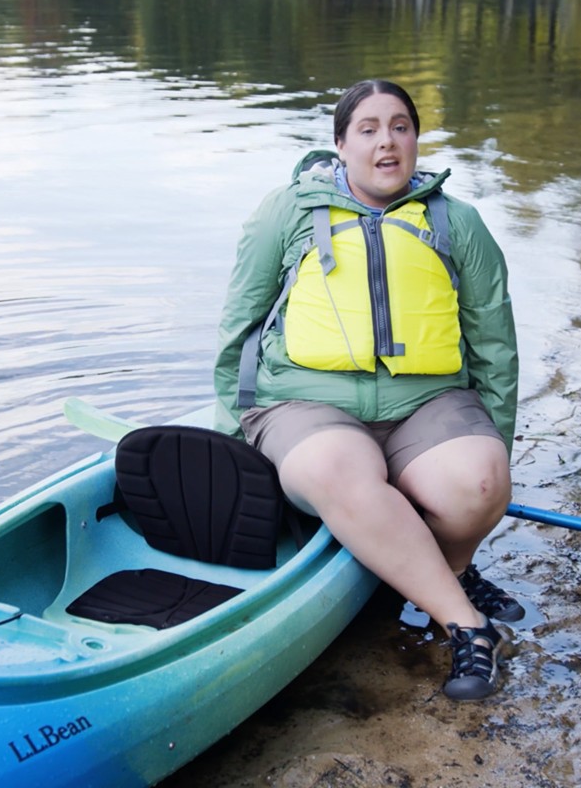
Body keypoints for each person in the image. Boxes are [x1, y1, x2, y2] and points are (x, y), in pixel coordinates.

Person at [214, 79, 521, 701]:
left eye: (401, 126)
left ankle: (448, 572)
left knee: (482, 483)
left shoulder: (457, 222)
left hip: (426, 402)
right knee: (336, 469)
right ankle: (467, 624)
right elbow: (240, 323)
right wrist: (230, 435)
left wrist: (495, 441)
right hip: (305, 402)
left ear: (415, 139)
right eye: (369, 128)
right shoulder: (287, 212)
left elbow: (495, 343)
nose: (388, 141)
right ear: (340, 144)